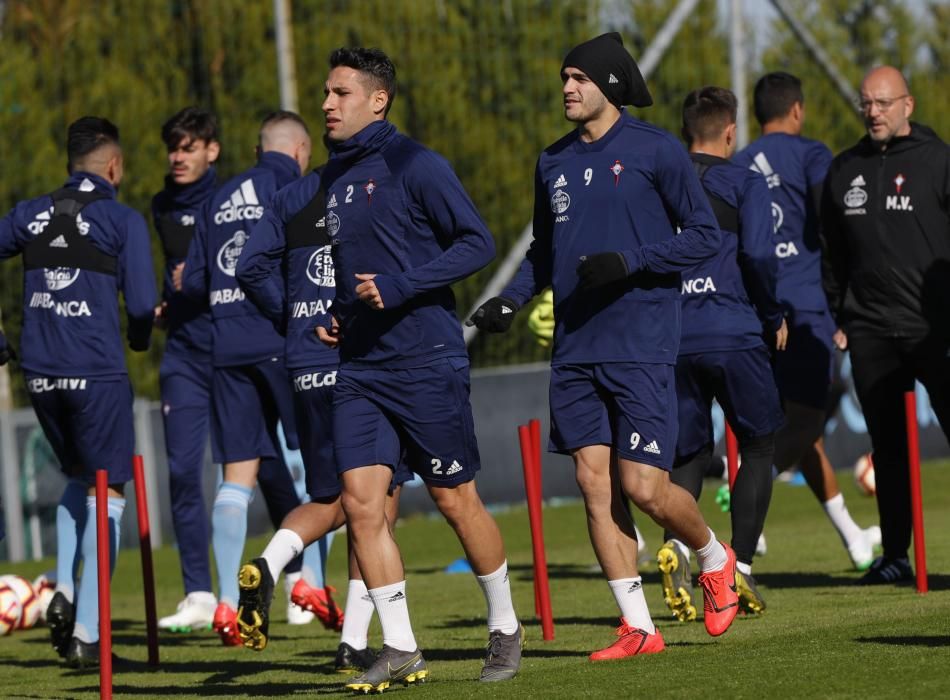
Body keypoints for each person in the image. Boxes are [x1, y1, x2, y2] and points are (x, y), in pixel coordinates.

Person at [470, 33, 738, 660]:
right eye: (563, 77)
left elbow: (703, 236)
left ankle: (713, 556)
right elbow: (543, 252)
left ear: (610, 85)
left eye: (578, 78)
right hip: (575, 349)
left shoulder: (656, 151)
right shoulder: (552, 161)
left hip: (641, 343)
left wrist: (632, 262)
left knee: (643, 486)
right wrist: (510, 297)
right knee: (595, 485)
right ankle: (639, 627)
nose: (567, 87)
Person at [315, 46, 522, 691]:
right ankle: (400, 645)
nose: (327, 103)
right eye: (326, 92)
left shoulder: (416, 164)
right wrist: (333, 313)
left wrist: (402, 285)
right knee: (360, 503)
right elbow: (349, 273)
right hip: (360, 368)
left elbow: (478, 243)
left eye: (340, 93)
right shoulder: (332, 178)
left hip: (425, 358)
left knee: (454, 499)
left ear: (378, 100)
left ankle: (505, 625)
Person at [234, 160, 411, 672]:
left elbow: (248, 267)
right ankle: (351, 638)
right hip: (354, 359)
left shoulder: (290, 198)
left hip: (301, 363)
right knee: (375, 502)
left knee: (332, 497)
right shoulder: (369, 190)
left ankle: (272, 567)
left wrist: (288, 312)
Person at [154, 108, 322, 633]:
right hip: (280, 338)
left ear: (255, 150)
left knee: (235, 478)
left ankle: (227, 601)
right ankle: (307, 590)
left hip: (224, 349)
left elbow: (195, 281)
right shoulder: (302, 189)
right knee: (319, 465)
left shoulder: (217, 198)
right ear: (300, 152)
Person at [0, 117, 157, 666]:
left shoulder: (28, 213)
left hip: (40, 376)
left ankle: (64, 591)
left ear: (71, 163)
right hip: (96, 375)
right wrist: (139, 339)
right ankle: (89, 636)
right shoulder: (121, 218)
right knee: (108, 494)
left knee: (75, 478)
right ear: (114, 166)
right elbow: (140, 305)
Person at [734, 72, 881, 570]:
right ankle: (744, 496)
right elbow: (831, 217)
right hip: (805, 306)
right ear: (796, 110)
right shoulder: (812, 154)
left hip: (759, 309)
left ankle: (853, 538)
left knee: (801, 430)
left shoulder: (739, 163)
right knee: (809, 420)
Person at [654, 86, 786, 622]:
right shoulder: (744, 181)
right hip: (733, 330)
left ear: (687, 131)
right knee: (758, 444)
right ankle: (742, 565)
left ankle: (677, 547)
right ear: (730, 132)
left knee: (686, 455)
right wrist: (774, 314)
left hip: (674, 336)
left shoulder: (661, 182)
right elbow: (756, 252)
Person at [820, 65, 950, 584]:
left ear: (907, 105)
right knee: (889, 452)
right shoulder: (843, 169)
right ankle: (895, 554)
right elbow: (830, 254)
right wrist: (838, 314)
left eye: (883, 102)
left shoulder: (938, 161)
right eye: (865, 104)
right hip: (871, 330)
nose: (872, 112)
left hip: (934, 330)